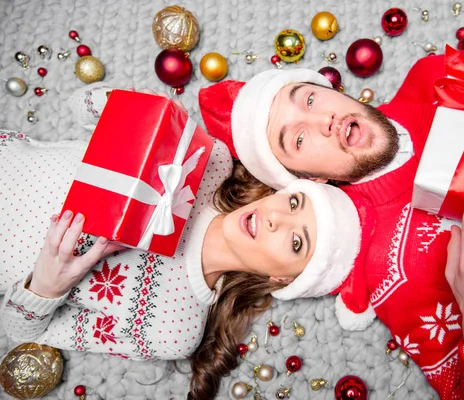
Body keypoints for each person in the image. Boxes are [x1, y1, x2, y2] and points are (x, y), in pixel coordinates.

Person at [197, 19, 464, 398]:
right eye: (297, 141)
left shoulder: (433, 75)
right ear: (308, 179)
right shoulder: (391, 271)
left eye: (309, 98)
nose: (323, 120)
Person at [0, 89, 361, 400]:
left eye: (296, 241)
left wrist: (47, 286)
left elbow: (20, 331)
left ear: (282, 280)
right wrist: (140, 110)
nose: (275, 218)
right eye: (294, 202)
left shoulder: (173, 329)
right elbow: (81, 105)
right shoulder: (209, 161)